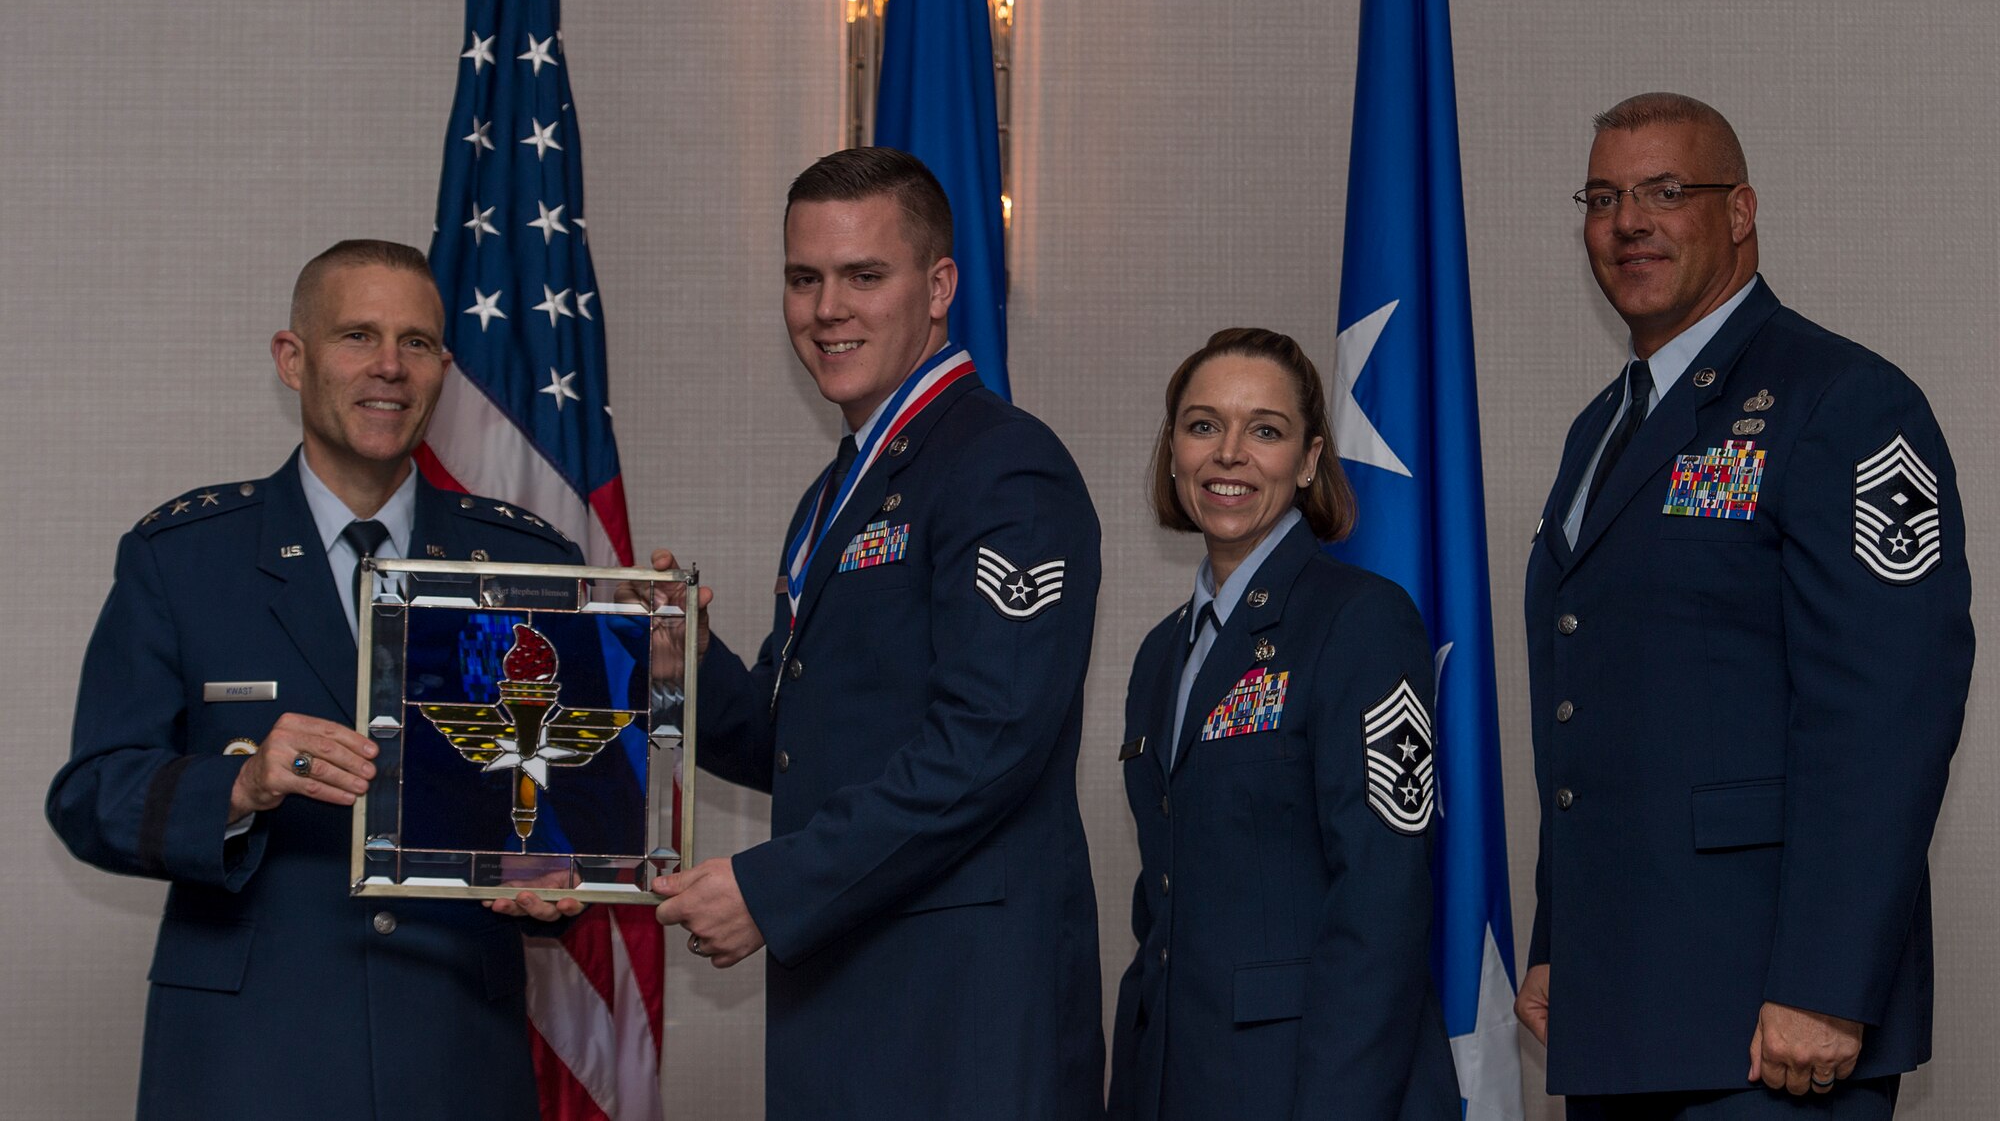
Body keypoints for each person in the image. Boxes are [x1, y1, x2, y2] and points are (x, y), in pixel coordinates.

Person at [47, 239, 585, 1121]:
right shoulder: (184, 559)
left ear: (444, 368)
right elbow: (90, 794)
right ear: (292, 358)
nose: (389, 367)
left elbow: (560, 808)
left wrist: (554, 883)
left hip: (452, 1055)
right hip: (248, 1059)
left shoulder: (530, 562)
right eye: (357, 336)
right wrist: (243, 782)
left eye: (416, 343)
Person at [1515, 95, 1975, 1119]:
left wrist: (1825, 982)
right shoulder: (1602, 429)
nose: (1627, 220)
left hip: (1773, 1031)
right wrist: (1559, 940)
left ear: (1739, 211)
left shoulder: (1839, 400)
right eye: (1601, 197)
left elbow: (1885, 714)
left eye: (1664, 191)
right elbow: (1592, 705)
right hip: (1622, 1009)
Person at [647, 147, 1106, 1121]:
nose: (827, 309)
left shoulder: (1003, 469)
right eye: (802, 278)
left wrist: (771, 886)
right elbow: (804, 743)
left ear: (937, 287)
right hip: (846, 1003)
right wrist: (679, 662)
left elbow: (987, 743)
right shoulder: (840, 488)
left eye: (863, 275)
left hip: (959, 1022)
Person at [1106, 327, 1459, 1121]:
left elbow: (1381, 903)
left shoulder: (1362, 622)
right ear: (1173, 453)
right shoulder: (1161, 654)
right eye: (1203, 426)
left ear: (1307, 461)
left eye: (1264, 429)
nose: (1229, 453)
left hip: (1312, 1085)